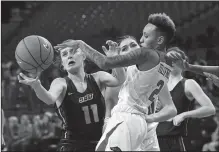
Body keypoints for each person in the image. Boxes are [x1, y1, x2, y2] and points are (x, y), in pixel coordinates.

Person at [55, 13, 178, 151]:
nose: (141, 41)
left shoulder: (145, 56)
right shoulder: (163, 66)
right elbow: (109, 112)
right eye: (124, 49)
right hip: (139, 126)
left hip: (134, 124)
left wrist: (80, 44)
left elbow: (105, 62)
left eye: (133, 45)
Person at [18, 44, 125, 151]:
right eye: (64, 54)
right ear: (63, 65)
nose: (69, 56)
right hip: (72, 145)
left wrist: (115, 59)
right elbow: (48, 99)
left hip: (99, 143)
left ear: (83, 56)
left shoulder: (98, 77)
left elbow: (120, 80)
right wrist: (37, 86)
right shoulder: (60, 83)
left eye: (73, 51)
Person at [156, 47, 216, 151]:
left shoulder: (188, 83)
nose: (171, 62)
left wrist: (184, 115)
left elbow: (210, 108)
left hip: (173, 140)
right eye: (168, 59)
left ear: (183, 62)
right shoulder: (159, 84)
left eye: (175, 59)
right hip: (153, 139)